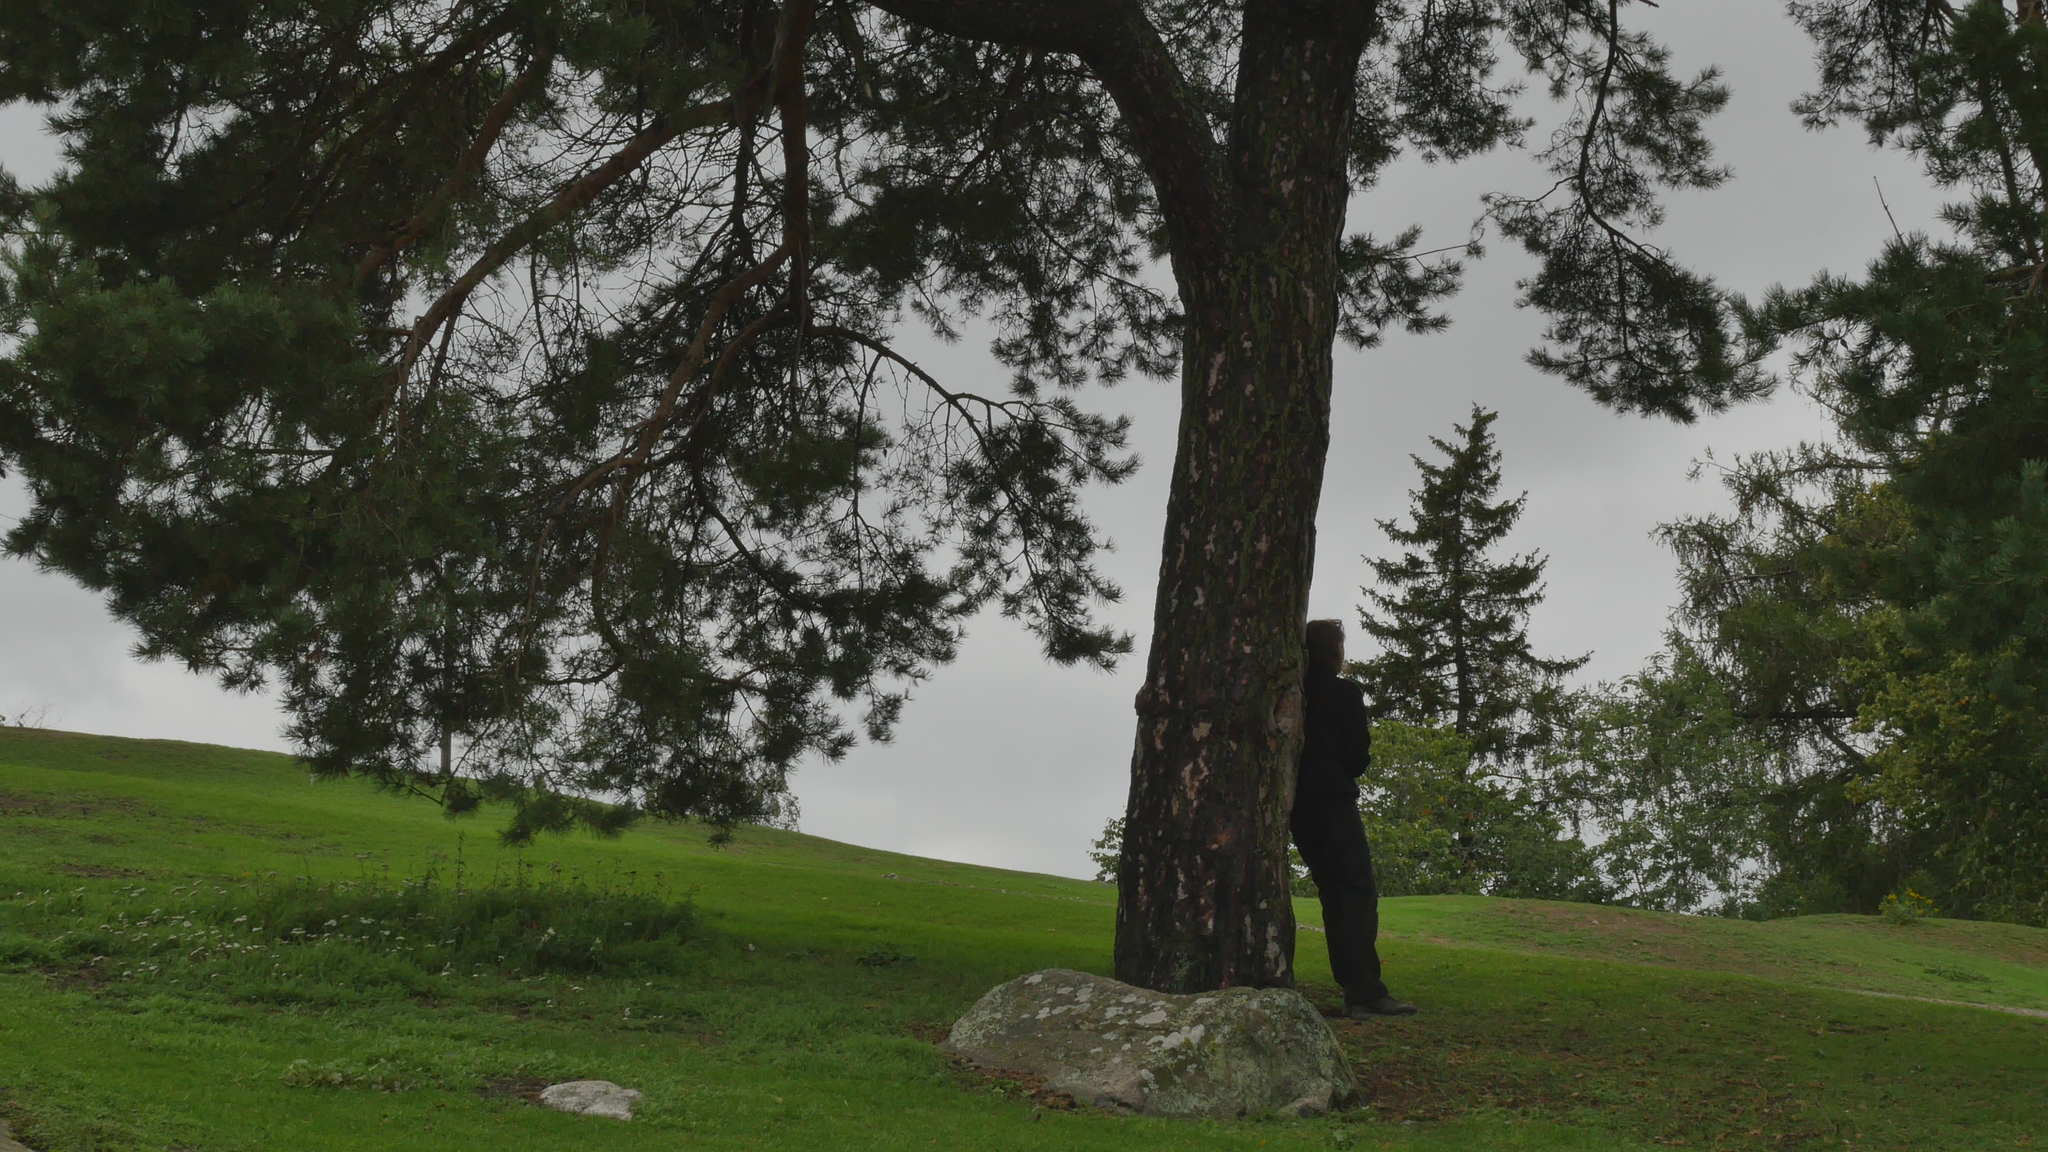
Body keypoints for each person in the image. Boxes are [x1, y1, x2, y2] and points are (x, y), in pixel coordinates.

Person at [1293, 618, 1417, 1018]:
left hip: (1298, 806)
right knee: (1357, 893)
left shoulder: (1294, 692)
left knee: (1332, 893)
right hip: (1333, 800)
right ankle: (1363, 990)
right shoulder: (1343, 693)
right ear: (1335, 651)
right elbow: (1358, 757)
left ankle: (1353, 985)